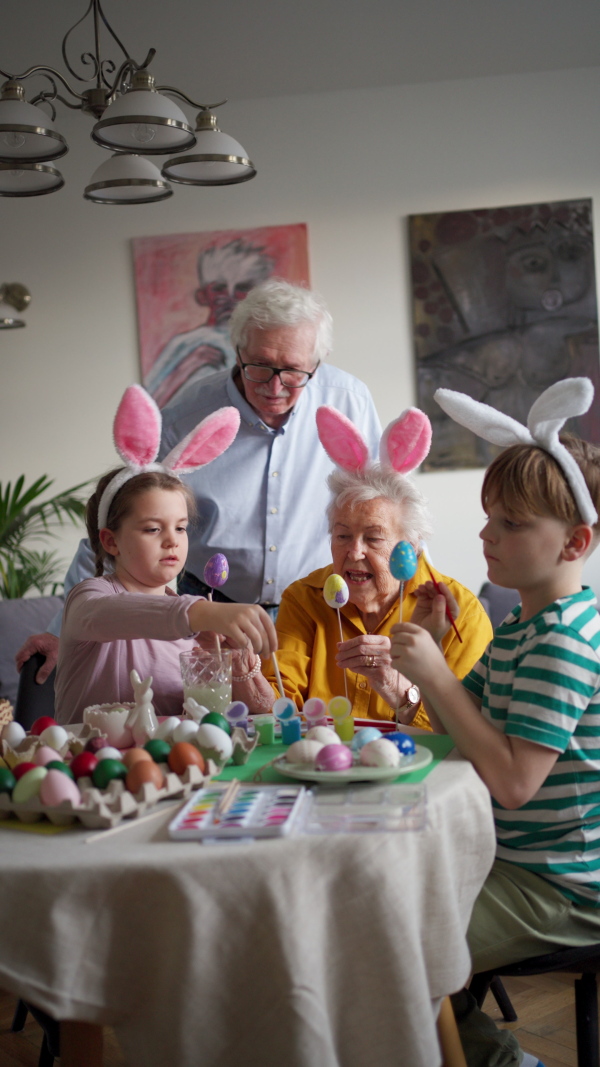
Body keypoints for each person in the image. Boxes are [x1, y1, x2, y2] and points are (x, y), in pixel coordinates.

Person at [16, 280, 381, 684]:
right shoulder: (189, 415)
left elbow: (386, 505)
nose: (274, 388)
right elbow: (120, 518)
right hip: (211, 614)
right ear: (237, 351)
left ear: (318, 361)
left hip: (319, 607)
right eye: (258, 366)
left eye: (294, 372)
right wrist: (58, 629)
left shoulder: (349, 401)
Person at [390, 378, 600, 1067]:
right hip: (519, 862)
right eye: (489, 517)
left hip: (565, 886)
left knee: (394, 947)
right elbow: (457, 733)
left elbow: (512, 781)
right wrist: (407, 691)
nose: (486, 536)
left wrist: (438, 675)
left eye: (512, 523)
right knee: (377, 915)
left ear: (575, 541)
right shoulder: (522, 625)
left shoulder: (564, 639)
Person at [55, 388, 277, 724]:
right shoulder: (90, 599)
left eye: (181, 528)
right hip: (88, 769)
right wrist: (202, 612)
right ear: (110, 542)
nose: (172, 541)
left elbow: (258, 715)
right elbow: (112, 614)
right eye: (152, 529)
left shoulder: (195, 634)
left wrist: (238, 664)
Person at [228, 445, 492, 724]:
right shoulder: (305, 598)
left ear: (411, 547)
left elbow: (470, 731)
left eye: (373, 538)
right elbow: (280, 712)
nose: (354, 552)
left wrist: (395, 686)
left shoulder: (459, 613)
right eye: (342, 536)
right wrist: (242, 668)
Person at [144, 239, 274, 408]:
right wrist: (188, 366)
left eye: (242, 288)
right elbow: (149, 407)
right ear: (203, 295)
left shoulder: (266, 345)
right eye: (219, 288)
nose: (230, 295)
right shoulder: (188, 343)